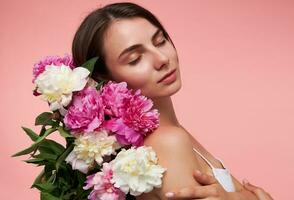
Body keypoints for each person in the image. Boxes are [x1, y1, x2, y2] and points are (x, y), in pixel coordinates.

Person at [72, 2, 274, 199]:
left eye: (160, 41)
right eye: (135, 58)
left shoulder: (174, 133)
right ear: (104, 80)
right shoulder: (168, 142)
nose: (162, 58)